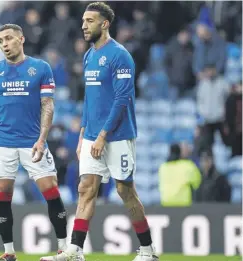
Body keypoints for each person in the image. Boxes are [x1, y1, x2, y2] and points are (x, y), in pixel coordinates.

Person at [40, 3, 158, 261]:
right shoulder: (88, 56)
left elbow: (122, 98)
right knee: (86, 188)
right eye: (83, 20)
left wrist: (103, 135)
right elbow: (90, 101)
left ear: (105, 24)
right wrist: (84, 134)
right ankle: (75, 250)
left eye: (90, 20)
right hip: (92, 135)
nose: (83, 25)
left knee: (125, 191)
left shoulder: (120, 55)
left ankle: (148, 250)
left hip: (117, 136)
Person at [0, 24, 68, 261]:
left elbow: (48, 105)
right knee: (2, 193)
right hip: (2, 143)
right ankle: (9, 252)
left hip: (32, 142)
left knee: (50, 190)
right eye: (0, 41)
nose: (4, 44)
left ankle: (64, 249)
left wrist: (42, 139)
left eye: (8, 38)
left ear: (21, 39)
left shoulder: (40, 68)